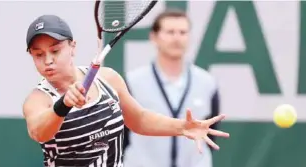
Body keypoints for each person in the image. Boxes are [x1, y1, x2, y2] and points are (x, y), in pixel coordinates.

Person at [22, 14, 229, 167]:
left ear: (72, 46)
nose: (48, 60)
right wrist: (64, 103)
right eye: (38, 54)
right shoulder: (39, 99)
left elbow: (138, 119)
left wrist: (181, 127)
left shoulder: (108, 78)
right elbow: (39, 131)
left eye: (55, 51)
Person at [123, 9, 221, 167]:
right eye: (170, 32)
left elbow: (211, 130)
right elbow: (123, 134)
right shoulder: (133, 82)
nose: (177, 38)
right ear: (154, 37)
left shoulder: (207, 82)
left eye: (183, 32)